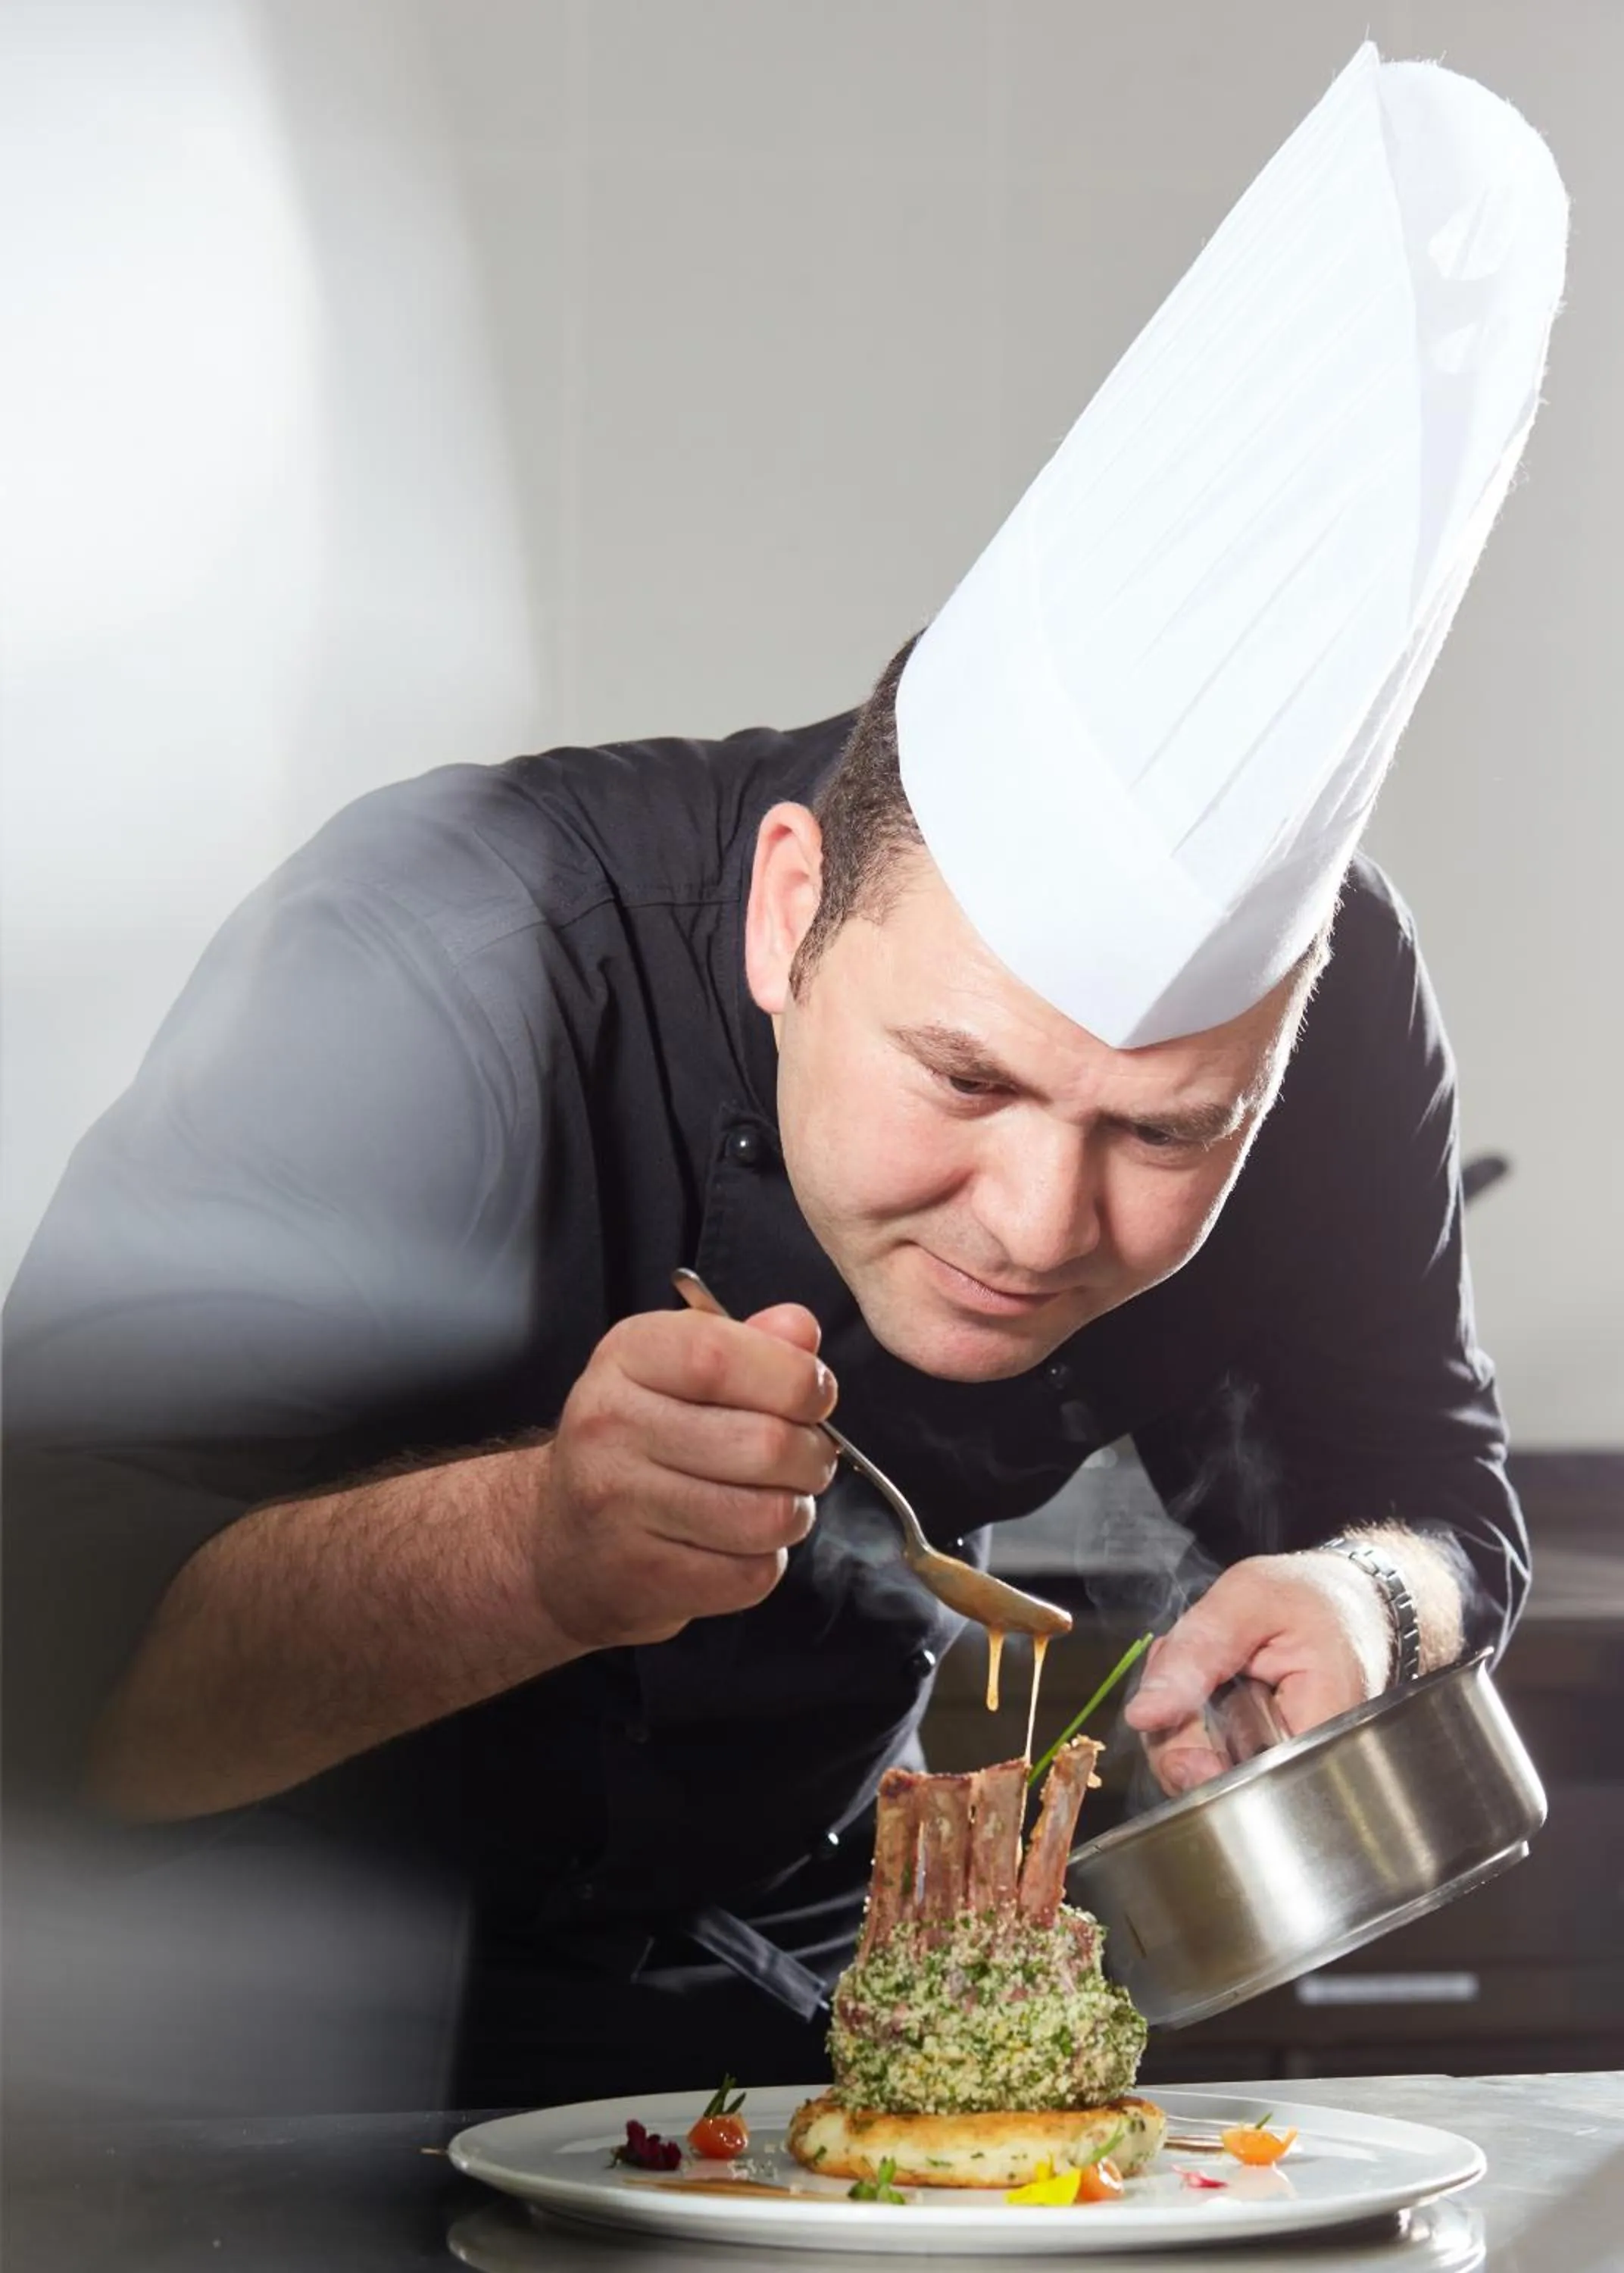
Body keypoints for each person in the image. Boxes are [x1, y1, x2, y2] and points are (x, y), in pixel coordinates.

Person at [2, 45, 1564, 2109]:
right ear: (785, 909)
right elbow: (50, 1664)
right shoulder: (453, 955)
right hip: (261, 2050)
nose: (1040, 1221)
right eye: (968, 1081)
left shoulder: (1328, 1003)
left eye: (1168, 1133)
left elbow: (1427, 1488)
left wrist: (1372, 1594)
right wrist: (535, 1550)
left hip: (798, 2020)